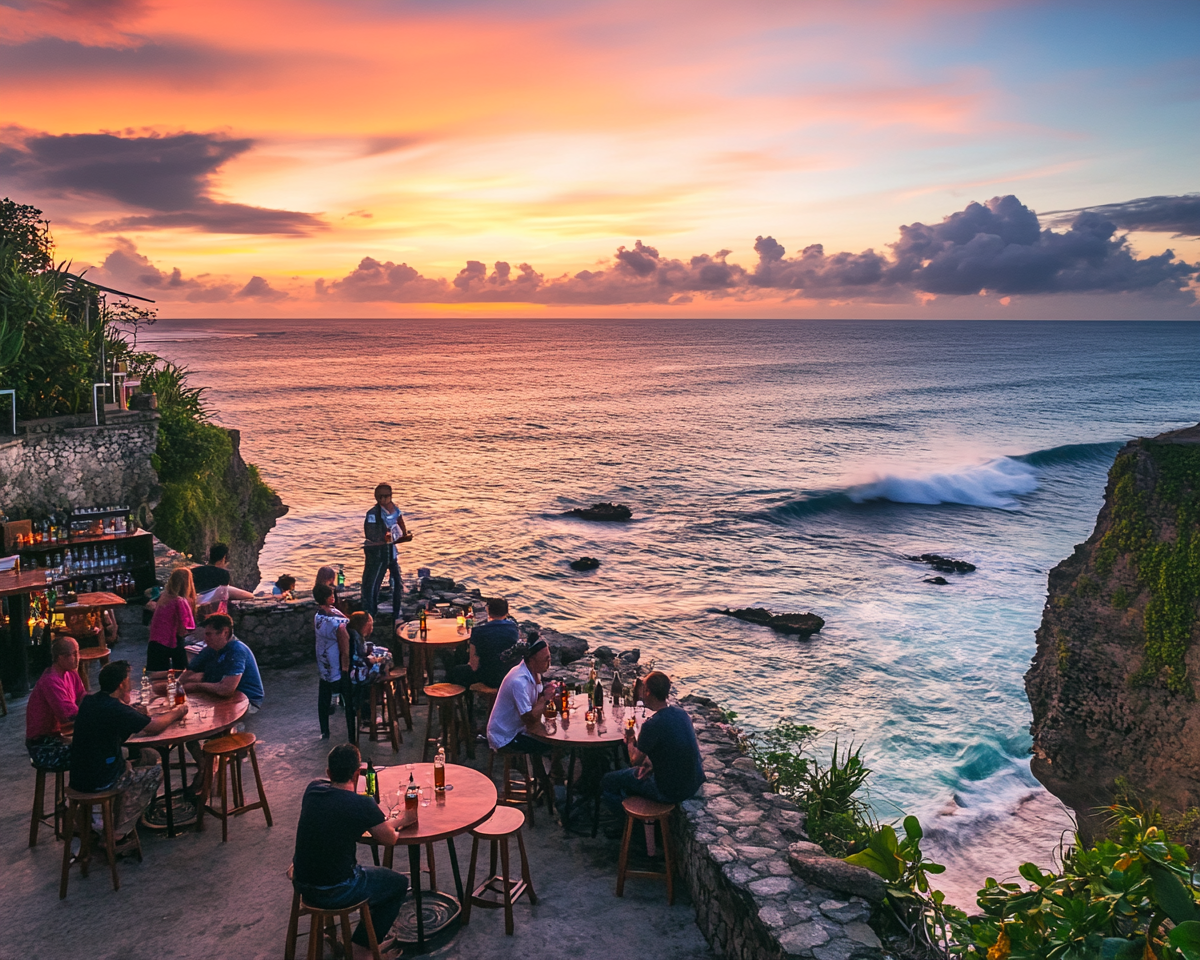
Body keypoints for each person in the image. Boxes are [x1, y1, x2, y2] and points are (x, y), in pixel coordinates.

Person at [292, 743, 416, 958]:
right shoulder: (361, 804)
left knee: (375, 879)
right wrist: (403, 820)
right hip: (337, 890)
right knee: (397, 884)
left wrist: (390, 821)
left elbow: (342, 808)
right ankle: (362, 950)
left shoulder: (312, 789)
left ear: (328, 772)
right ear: (358, 773)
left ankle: (364, 941)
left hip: (302, 882)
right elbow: (388, 840)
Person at [70, 660, 188, 838]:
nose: (131, 683)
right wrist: (178, 711)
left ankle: (102, 817)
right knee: (157, 771)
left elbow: (118, 717)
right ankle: (119, 832)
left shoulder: (90, 701)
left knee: (144, 757)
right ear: (121, 684)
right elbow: (154, 726)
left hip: (79, 776)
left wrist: (134, 711)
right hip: (102, 780)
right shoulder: (116, 709)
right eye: (128, 680)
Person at [600, 670, 705, 819]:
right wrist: (653, 764)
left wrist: (629, 740)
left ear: (648, 692)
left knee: (608, 780)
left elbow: (634, 760)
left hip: (669, 791)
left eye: (643, 689)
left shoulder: (652, 724)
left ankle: (630, 826)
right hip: (693, 784)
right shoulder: (681, 714)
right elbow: (676, 748)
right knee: (633, 778)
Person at [486, 638, 559, 808]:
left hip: (519, 729)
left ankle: (545, 783)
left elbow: (537, 699)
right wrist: (546, 700)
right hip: (505, 736)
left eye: (549, 657)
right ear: (532, 660)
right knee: (554, 747)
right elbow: (529, 718)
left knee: (550, 742)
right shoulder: (519, 681)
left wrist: (546, 692)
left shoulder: (534, 673)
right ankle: (550, 785)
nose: (549, 662)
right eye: (546, 659)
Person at [179, 613, 265, 711]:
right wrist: (177, 687)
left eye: (209, 634)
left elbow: (226, 690)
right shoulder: (210, 649)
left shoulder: (237, 651)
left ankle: (234, 725)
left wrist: (196, 686)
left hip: (248, 700)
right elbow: (188, 674)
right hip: (219, 693)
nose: (205, 639)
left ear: (225, 633)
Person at [26, 636, 84, 771]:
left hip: (58, 737)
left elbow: (83, 698)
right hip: (43, 746)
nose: (77, 658)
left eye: (77, 653)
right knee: (95, 750)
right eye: (72, 654)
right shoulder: (51, 680)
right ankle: (89, 788)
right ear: (59, 657)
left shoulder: (71, 674)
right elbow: (69, 716)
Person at [362, 484, 408, 620]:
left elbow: (399, 520)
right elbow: (369, 533)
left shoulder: (394, 509)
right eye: (380, 497)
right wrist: (382, 537)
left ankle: (396, 610)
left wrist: (403, 534)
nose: (383, 499)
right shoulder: (372, 513)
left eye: (386, 496)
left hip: (390, 550)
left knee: (397, 581)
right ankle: (370, 612)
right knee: (373, 583)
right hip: (377, 552)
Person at [314, 583, 353, 741]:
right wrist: (346, 668)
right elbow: (345, 647)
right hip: (334, 658)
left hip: (322, 658)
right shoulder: (337, 623)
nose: (334, 597)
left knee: (324, 690)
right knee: (346, 692)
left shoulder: (318, 616)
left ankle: (325, 730)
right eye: (332, 594)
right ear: (327, 597)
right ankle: (351, 732)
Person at [146, 567, 196, 672]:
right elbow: (183, 627)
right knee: (181, 672)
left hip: (155, 640)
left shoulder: (164, 596)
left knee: (156, 675)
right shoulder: (180, 601)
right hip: (170, 641)